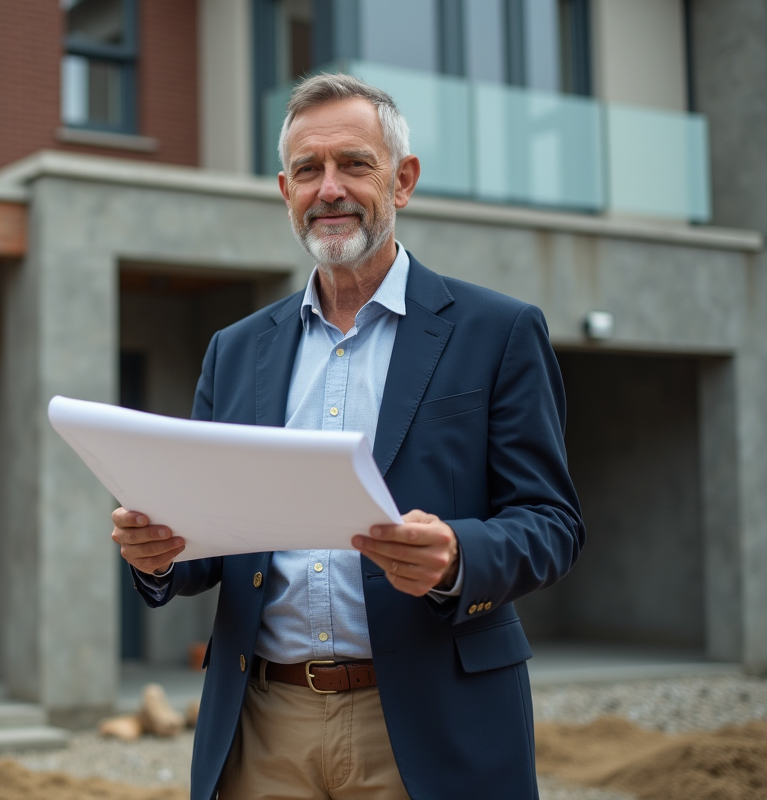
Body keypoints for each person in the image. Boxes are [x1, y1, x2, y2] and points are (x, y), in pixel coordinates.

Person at [111, 73, 584, 800]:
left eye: (354, 164)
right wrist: (160, 554)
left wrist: (459, 555)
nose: (329, 188)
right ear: (285, 190)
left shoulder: (498, 332)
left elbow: (552, 523)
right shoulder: (234, 351)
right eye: (309, 170)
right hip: (262, 724)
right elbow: (212, 546)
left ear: (403, 181)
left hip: (429, 721)